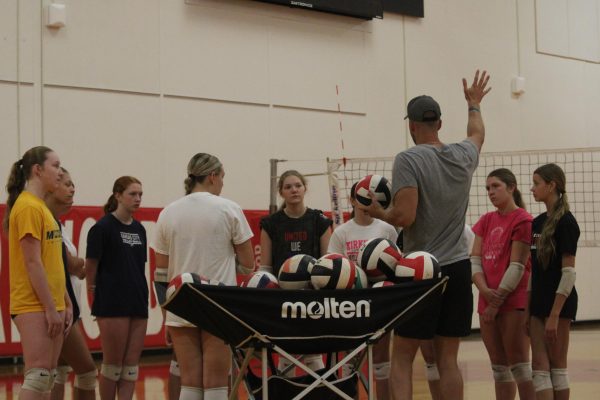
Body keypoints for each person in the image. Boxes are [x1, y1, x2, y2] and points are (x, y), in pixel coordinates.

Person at [360, 70, 491, 400]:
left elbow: (405, 216)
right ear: (441, 124)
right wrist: (474, 104)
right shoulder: (463, 155)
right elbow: (477, 134)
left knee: (403, 356)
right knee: (448, 360)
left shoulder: (409, 158)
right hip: (458, 268)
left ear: (412, 125)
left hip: (421, 271)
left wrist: (379, 214)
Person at [152, 153, 255, 400]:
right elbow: (249, 264)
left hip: (180, 303)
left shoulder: (168, 212)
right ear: (212, 176)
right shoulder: (229, 208)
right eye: (222, 177)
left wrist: (167, 316)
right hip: (218, 303)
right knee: (216, 382)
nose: (222, 183)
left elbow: (161, 274)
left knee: (189, 382)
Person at [3, 146, 72, 399]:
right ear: (37, 170)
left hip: (50, 302)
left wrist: (64, 301)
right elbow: (32, 263)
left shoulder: (42, 208)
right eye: (55, 165)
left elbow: (51, 261)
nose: (60, 171)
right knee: (38, 375)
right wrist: (50, 308)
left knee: (48, 376)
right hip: (33, 304)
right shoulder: (28, 207)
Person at [328, 182, 397, 400]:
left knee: (381, 361)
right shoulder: (341, 232)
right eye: (362, 197)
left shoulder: (387, 228)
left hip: (380, 298)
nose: (367, 201)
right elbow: (333, 266)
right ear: (352, 200)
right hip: (352, 301)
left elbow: (397, 262)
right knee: (349, 361)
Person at [259, 169, 333, 374]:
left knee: (313, 352)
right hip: (284, 296)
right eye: (288, 187)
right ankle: (286, 389)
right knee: (286, 350)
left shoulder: (320, 220)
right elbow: (265, 268)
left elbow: (328, 263)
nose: (294, 190)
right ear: (281, 192)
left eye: (298, 186)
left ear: (305, 188)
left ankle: (321, 393)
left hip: (313, 294)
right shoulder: (270, 224)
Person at [471, 168, 535, 400]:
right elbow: (475, 260)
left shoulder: (524, 220)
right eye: (488, 188)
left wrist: (495, 302)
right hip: (487, 300)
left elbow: (518, 265)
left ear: (511, 187)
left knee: (519, 365)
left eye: (495, 186)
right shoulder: (486, 220)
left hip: (513, 301)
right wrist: (484, 291)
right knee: (499, 369)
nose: (490, 192)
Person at [86, 176, 148, 400]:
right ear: (118, 195)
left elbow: (138, 267)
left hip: (138, 301)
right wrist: (93, 297)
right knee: (113, 366)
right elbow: (90, 266)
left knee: (131, 368)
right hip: (112, 303)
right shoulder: (102, 228)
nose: (138, 199)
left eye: (140, 194)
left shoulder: (140, 229)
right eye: (133, 194)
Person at [529, 163, 579, 400]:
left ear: (552, 185)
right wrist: (529, 310)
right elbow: (534, 271)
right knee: (539, 368)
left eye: (537, 183)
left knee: (557, 366)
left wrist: (555, 314)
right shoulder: (537, 224)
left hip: (559, 303)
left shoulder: (567, 223)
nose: (532, 188)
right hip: (538, 302)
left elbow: (568, 273)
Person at [46, 168, 97, 400]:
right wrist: (76, 264)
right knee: (86, 372)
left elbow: (74, 265)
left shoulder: (58, 223)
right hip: (58, 309)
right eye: (66, 184)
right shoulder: (47, 221)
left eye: (73, 184)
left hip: (65, 307)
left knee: (56, 372)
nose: (72, 189)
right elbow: (70, 264)